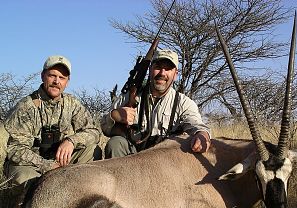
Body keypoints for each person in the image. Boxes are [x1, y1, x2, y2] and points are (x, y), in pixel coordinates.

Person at [4, 55, 102, 187]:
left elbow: (93, 132)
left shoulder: (72, 103)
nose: (57, 81)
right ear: (43, 76)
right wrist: (46, 165)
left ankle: (81, 193)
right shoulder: (25, 107)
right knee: (29, 181)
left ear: (67, 81)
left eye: (62, 78)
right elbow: (15, 149)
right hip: (32, 165)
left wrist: (71, 141)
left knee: (93, 150)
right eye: (52, 76)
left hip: (60, 161)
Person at [101, 49, 211, 158]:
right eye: (158, 67)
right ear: (150, 69)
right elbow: (104, 127)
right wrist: (114, 115)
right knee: (115, 144)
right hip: (131, 160)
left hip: (164, 162)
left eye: (168, 69)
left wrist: (202, 134)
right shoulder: (129, 96)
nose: (162, 73)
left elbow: (196, 125)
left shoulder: (184, 103)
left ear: (175, 74)